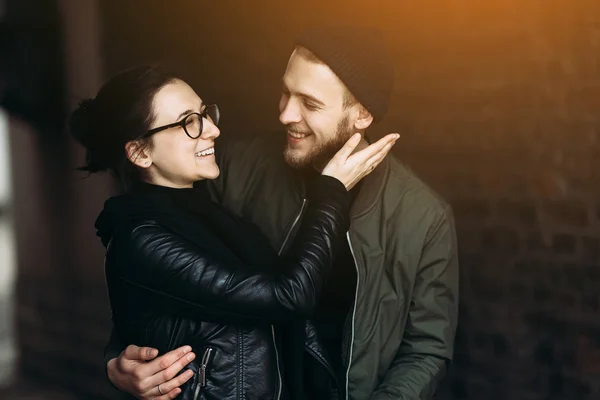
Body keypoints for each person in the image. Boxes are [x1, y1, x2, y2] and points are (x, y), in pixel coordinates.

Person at [106, 25, 459, 400]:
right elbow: (162, 276)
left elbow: (427, 349)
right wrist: (119, 361)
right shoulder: (233, 169)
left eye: (310, 103)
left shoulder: (424, 217)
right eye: (285, 92)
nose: (286, 114)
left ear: (362, 115)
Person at [70, 65, 398, 399]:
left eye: (204, 114)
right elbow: (288, 296)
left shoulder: (208, 206)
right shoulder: (142, 237)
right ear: (141, 152)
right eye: (189, 123)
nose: (212, 129)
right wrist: (331, 193)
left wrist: (115, 359)